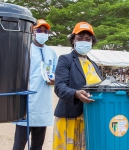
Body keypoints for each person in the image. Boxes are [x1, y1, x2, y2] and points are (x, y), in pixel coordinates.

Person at [53, 22, 102, 150]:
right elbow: (59, 87)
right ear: (73, 40)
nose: (83, 41)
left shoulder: (94, 66)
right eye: (79, 38)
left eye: (87, 39)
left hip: (89, 119)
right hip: (70, 117)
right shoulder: (65, 60)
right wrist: (76, 93)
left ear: (92, 42)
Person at [12, 19, 58, 150]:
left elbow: (55, 72)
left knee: (38, 145)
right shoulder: (25, 49)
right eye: (39, 30)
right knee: (19, 145)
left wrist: (54, 79)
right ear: (33, 32)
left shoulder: (51, 52)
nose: (42, 33)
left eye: (45, 31)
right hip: (26, 104)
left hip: (43, 105)